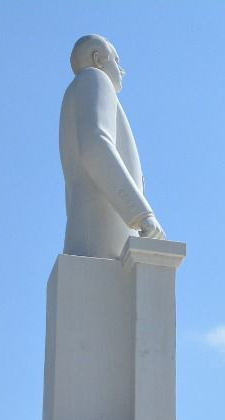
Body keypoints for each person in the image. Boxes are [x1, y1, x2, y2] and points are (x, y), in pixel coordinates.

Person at [61, 35, 165, 259]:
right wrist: (141, 214)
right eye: (116, 61)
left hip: (85, 232)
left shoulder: (74, 94)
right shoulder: (94, 79)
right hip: (103, 242)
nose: (122, 69)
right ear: (98, 59)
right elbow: (96, 145)